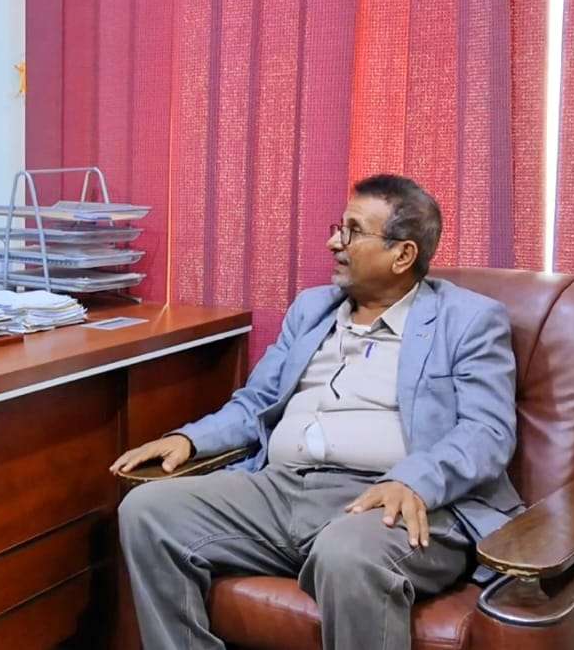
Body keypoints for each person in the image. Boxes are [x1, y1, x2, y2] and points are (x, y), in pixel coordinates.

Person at [112, 175, 522, 650]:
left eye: (353, 231)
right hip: (282, 488)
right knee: (147, 511)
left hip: (391, 501)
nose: (334, 243)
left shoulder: (468, 319)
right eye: (338, 228)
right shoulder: (312, 309)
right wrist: (189, 439)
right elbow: (258, 401)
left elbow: (487, 431)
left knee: (346, 554)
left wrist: (412, 481)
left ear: (403, 255)